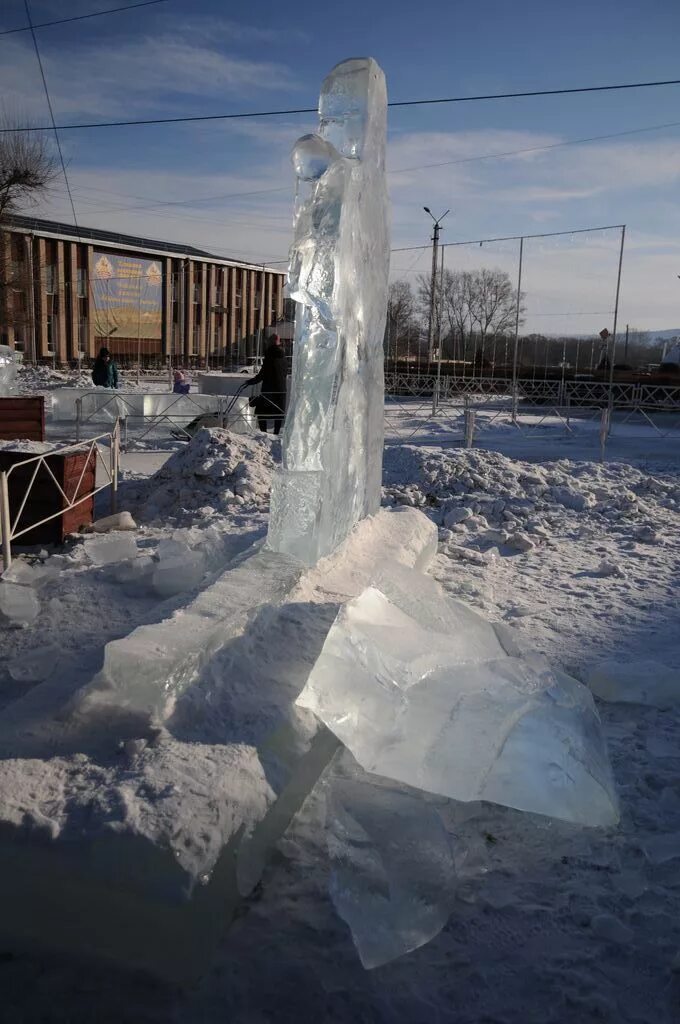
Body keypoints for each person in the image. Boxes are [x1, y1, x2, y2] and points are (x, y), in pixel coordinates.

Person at [246, 335, 287, 434]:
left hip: (269, 391)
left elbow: (262, 374)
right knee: (278, 413)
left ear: (270, 343)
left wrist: (250, 382)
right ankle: (276, 433)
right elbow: (284, 374)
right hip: (281, 392)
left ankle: (263, 433)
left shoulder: (269, 356)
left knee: (261, 411)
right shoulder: (284, 358)